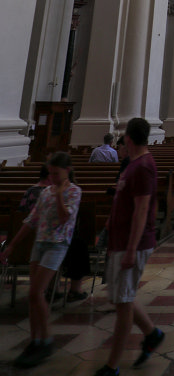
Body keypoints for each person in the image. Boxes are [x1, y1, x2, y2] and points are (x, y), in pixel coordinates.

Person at [95, 118, 164, 376]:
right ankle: (152, 333)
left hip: (132, 243)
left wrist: (132, 248)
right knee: (120, 297)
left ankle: (112, 366)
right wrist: (108, 227)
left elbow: (142, 210)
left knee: (122, 302)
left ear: (127, 138)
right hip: (121, 240)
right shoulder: (134, 164)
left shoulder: (143, 166)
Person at [0, 152, 81, 369]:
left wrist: (60, 194)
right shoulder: (45, 192)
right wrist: (13, 245)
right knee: (34, 296)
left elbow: (64, 218)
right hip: (40, 243)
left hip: (57, 244)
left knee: (37, 292)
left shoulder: (74, 191)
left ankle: (46, 340)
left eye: (56, 173)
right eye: (50, 174)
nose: (52, 178)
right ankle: (35, 341)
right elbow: (31, 220)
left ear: (67, 171)